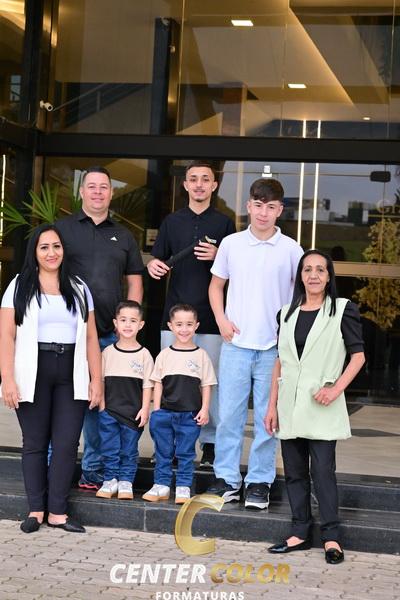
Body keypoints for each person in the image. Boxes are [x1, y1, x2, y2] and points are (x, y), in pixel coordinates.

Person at [206, 178, 303, 510]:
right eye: (258, 205)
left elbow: (301, 296)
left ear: (280, 210)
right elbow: (216, 286)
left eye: (271, 207)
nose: (263, 213)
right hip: (236, 343)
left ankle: (260, 482)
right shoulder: (232, 244)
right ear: (248, 206)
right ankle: (226, 479)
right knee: (228, 415)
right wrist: (221, 320)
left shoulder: (291, 250)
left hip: (273, 348)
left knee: (267, 418)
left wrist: (288, 334)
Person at [0, 224, 102, 533]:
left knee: (67, 443)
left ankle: (58, 512)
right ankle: (36, 510)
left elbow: (91, 338)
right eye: (44, 247)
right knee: (34, 443)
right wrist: (7, 379)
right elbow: (6, 335)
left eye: (56, 246)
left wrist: (97, 380)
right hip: (33, 370)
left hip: (71, 371)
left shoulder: (79, 287)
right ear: (34, 252)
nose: (51, 252)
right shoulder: (19, 286)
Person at [265, 249, 365, 564]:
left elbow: (358, 357)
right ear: (300, 276)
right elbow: (280, 361)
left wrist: (336, 389)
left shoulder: (343, 310)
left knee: (322, 473)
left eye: (320, 269)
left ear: (329, 276)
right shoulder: (286, 313)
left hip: (322, 404)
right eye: (307, 269)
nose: (313, 275)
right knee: (294, 473)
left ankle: (331, 537)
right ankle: (299, 533)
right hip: (289, 405)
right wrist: (271, 406)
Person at [57, 166, 144, 489]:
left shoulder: (124, 236)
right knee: (62, 402)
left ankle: (92, 471)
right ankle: (56, 467)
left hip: (108, 336)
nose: (97, 192)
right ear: (81, 191)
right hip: (66, 334)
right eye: (91, 186)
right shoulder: (61, 230)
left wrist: (127, 325)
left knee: (98, 405)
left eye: (103, 187)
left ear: (111, 193)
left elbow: (135, 282)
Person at [147, 160, 235, 467]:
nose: (199, 184)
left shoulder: (225, 224)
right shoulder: (172, 222)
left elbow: (237, 269)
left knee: (210, 384)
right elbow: (157, 261)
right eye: (193, 179)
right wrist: (153, 265)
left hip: (211, 318)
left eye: (205, 179)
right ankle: (169, 445)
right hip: (174, 318)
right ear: (185, 185)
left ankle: (210, 445)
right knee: (171, 382)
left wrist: (219, 256)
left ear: (214, 185)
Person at [142, 304, 217, 504]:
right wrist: (157, 410)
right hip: (165, 413)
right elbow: (158, 383)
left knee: (186, 452)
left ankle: (183, 486)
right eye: (179, 324)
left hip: (190, 414)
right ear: (170, 326)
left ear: (196, 326)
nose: (184, 329)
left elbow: (207, 384)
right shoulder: (164, 354)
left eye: (189, 324)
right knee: (163, 451)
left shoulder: (201, 355)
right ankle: (161, 485)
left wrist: (204, 409)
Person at [96, 301, 154, 500]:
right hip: (109, 412)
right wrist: (102, 407)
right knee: (109, 449)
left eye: (133, 321)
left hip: (133, 414)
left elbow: (148, 385)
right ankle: (110, 480)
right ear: (116, 323)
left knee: (129, 450)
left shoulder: (145, 355)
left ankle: (126, 481)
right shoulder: (107, 352)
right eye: (123, 320)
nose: (128, 325)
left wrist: (145, 409)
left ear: (141, 325)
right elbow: (101, 381)